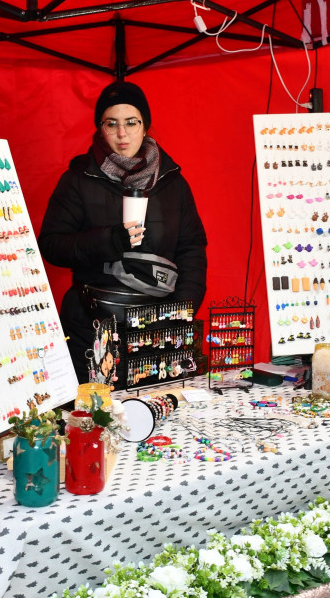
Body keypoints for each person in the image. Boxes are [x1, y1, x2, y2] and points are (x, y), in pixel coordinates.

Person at [38, 80, 208, 381]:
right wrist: (108, 240)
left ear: (145, 126)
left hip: (155, 326)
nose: (122, 133)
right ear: (99, 128)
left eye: (131, 122)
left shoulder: (173, 182)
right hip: (92, 322)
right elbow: (51, 245)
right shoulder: (78, 178)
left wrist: (178, 313)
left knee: (156, 411)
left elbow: (192, 249)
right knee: (96, 418)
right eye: (111, 123)